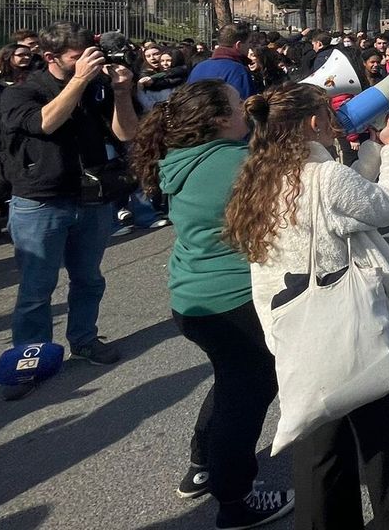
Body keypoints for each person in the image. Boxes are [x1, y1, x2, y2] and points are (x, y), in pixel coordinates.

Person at [222, 83, 389, 530]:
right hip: (351, 319)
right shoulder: (324, 178)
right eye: (326, 111)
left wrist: (369, 155)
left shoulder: (260, 176)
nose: (334, 119)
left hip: (296, 325)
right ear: (313, 123)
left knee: (321, 449)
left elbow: (344, 199)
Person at [129, 80, 293, 529]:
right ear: (219, 118)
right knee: (248, 396)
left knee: (232, 380)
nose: (246, 105)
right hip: (233, 301)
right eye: (237, 103)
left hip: (192, 298)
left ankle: (203, 463)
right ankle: (235, 500)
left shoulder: (183, 158)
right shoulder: (234, 162)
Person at [0, 23, 138, 395]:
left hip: (92, 198)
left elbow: (126, 134)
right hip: (40, 200)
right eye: (76, 58)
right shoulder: (23, 92)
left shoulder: (97, 87)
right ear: (51, 58)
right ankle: (29, 360)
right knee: (35, 290)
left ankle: (85, 340)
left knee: (89, 279)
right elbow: (45, 123)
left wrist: (122, 92)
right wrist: (79, 82)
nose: (87, 64)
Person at [189, 25, 254, 100]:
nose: (251, 46)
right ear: (238, 45)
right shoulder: (238, 71)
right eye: (249, 42)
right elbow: (246, 105)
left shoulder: (198, 68)